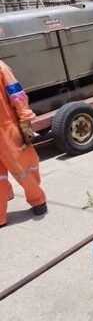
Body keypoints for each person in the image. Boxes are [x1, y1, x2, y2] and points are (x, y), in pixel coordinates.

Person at [0, 60, 47, 227]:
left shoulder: (1, 68)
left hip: (6, 128)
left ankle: (37, 201)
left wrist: (25, 118)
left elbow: (17, 94)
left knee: (24, 168)